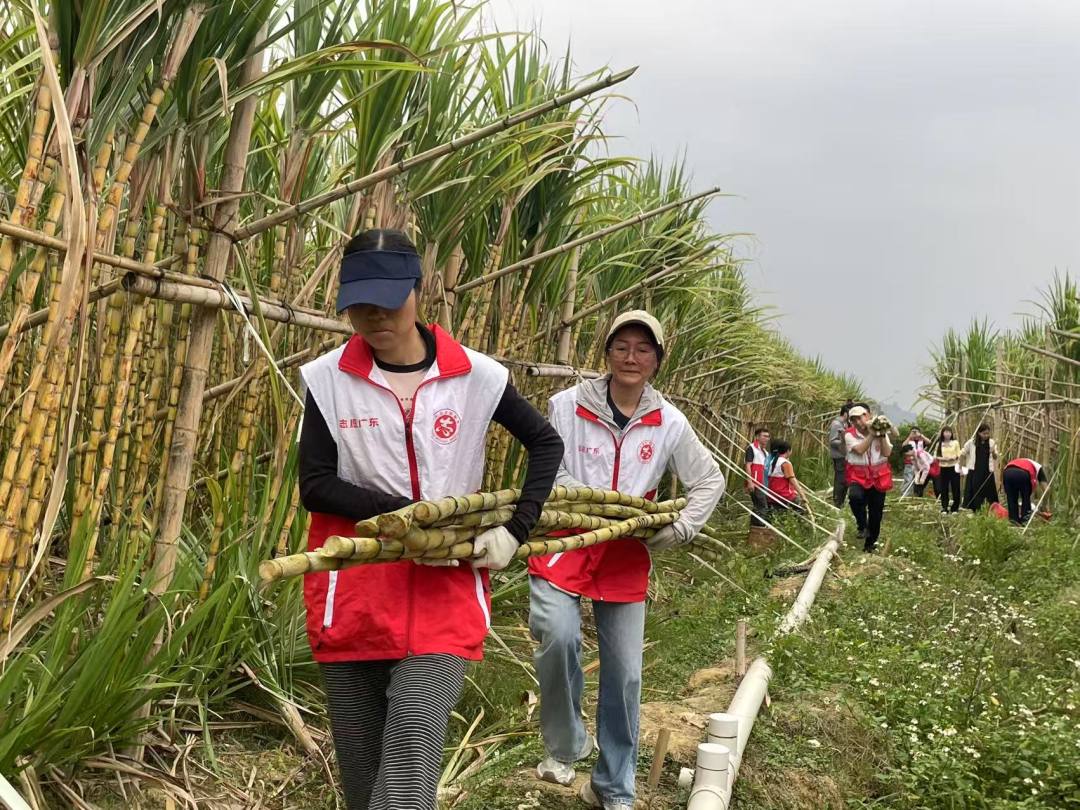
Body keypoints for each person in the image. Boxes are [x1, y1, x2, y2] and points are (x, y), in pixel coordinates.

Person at [297, 229, 564, 810]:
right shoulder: (326, 380)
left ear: (420, 290)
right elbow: (314, 486)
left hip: (447, 586)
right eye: (358, 303)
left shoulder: (477, 376)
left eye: (387, 300)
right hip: (358, 588)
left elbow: (545, 444)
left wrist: (513, 531)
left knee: (413, 751)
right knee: (362, 771)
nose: (373, 316)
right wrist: (404, 521)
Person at [528, 310, 725, 810]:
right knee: (555, 633)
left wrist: (680, 528)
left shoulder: (669, 422)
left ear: (658, 360)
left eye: (643, 349)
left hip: (625, 553)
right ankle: (568, 741)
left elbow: (710, 480)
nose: (631, 357)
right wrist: (590, 503)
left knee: (626, 674)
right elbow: (550, 470)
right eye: (622, 347)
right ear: (607, 353)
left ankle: (614, 785)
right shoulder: (566, 405)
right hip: (566, 544)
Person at [845, 405, 892, 552]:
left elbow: (887, 452)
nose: (858, 422)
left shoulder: (881, 431)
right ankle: (862, 525)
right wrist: (871, 435)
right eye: (854, 420)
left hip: (878, 477)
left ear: (869, 416)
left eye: (861, 417)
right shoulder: (849, 435)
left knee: (876, 513)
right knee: (855, 497)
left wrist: (882, 435)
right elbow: (859, 450)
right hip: (858, 475)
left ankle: (870, 544)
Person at [961, 423, 1000, 511]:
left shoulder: (991, 442)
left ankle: (990, 509)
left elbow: (995, 457)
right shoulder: (972, 442)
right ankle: (974, 509)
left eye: (987, 433)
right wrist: (960, 466)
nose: (986, 435)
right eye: (984, 433)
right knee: (975, 489)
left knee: (989, 490)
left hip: (987, 471)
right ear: (979, 433)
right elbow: (962, 453)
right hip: (975, 471)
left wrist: (993, 451)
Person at [1002, 457, 1047, 525]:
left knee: (1011, 499)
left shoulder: (1022, 461)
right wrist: (1045, 505)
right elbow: (1046, 489)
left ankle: (1014, 522)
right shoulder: (1039, 467)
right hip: (1023, 474)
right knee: (1026, 499)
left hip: (1007, 473)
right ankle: (1024, 522)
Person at [765, 439, 802, 510]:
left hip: (771, 495)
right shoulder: (785, 463)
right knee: (801, 509)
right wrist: (802, 495)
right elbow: (793, 480)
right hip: (783, 496)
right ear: (788, 451)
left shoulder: (771, 461)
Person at [745, 426, 771, 526]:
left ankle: (754, 529)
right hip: (756, 483)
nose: (766, 438)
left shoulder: (765, 452)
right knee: (762, 506)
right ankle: (759, 528)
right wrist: (750, 482)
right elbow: (748, 465)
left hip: (763, 483)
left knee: (758, 506)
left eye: (768, 437)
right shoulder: (751, 448)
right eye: (764, 436)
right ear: (757, 437)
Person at [828, 402, 852, 506]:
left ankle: (841, 502)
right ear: (846, 413)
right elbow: (832, 441)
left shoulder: (845, 424)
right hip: (839, 456)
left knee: (845, 480)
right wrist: (845, 442)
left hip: (844, 456)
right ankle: (837, 502)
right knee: (840, 480)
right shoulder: (836, 424)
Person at [936, 427, 962, 513]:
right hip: (943, 468)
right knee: (944, 488)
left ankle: (955, 508)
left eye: (949, 432)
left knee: (956, 487)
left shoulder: (955, 443)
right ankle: (944, 507)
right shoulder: (939, 444)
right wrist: (944, 459)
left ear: (951, 434)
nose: (947, 434)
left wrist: (954, 457)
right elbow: (936, 456)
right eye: (946, 432)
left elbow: (959, 454)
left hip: (954, 467)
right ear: (942, 433)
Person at [900, 427, 931, 495]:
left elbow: (929, 442)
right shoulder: (909, 440)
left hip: (920, 463)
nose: (915, 434)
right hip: (910, 463)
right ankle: (905, 493)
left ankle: (915, 494)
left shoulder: (921, 440)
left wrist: (921, 435)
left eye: (916, 432)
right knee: (908, 479)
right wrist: (909, 436)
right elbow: (903, 446)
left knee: (917, 479)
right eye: (913, 432)